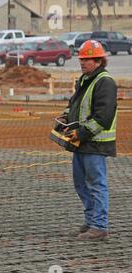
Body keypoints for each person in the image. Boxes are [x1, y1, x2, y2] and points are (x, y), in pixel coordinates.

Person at [58, 40, 117, 241]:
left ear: (99, 60)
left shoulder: (104, 82)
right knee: (81, 184)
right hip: (82, 144)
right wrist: (65, 117)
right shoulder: (85, 79)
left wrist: (81, 134)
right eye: (81, 59)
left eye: (87, 59)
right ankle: (92, 221)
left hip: (95, 144)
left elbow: (104, 116)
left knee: (96, 184)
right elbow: (74, 105)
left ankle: (100, 226)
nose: (82, 62)